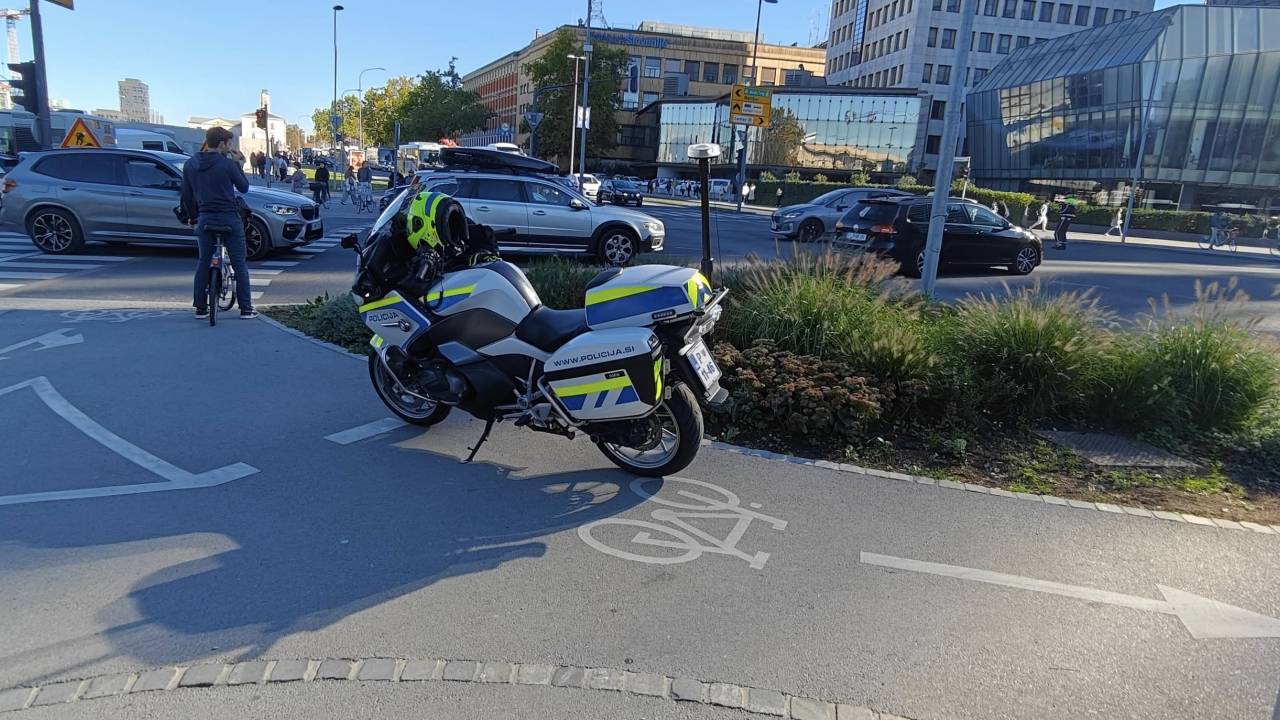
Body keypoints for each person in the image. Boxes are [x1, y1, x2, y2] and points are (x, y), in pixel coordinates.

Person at [180, 126, 255, 319]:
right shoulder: (227, 164)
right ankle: (246, 309)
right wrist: (238, 164)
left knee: (203, 262)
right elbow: (244, 188)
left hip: (205, 218)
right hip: (229, 218)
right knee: (239, 263)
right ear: (221, 144)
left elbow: (187, 195)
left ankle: (200, 308)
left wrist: (192, 217)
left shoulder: (190, 164)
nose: (229, 148)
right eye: (228, 144)